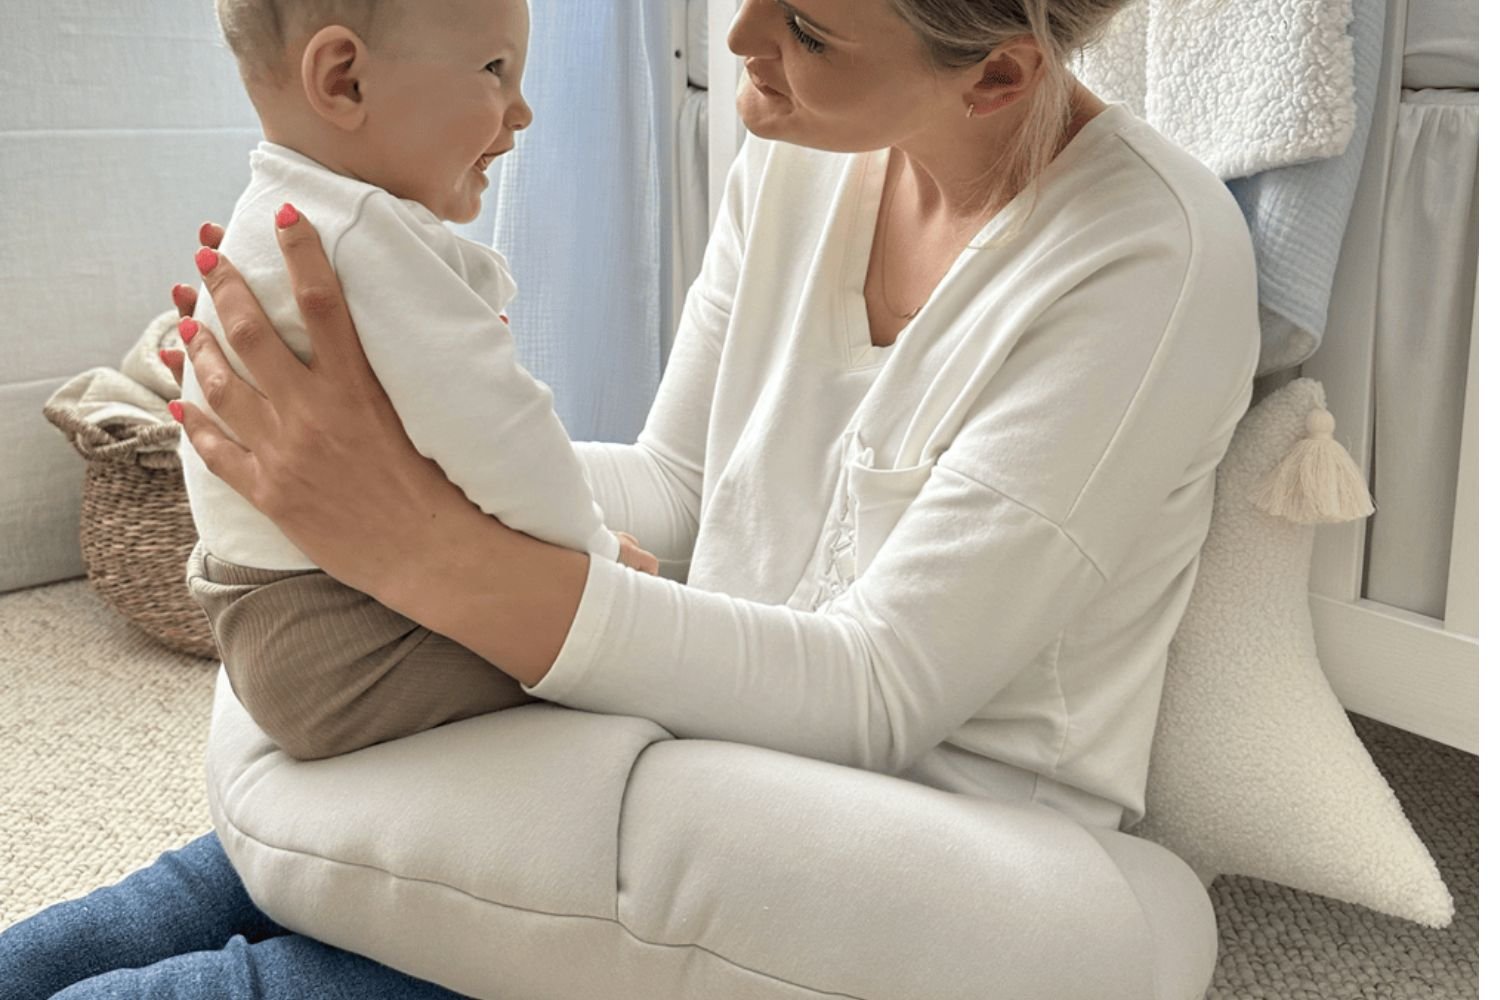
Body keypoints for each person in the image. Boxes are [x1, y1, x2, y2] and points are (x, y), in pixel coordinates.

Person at [0, 0, 1262, 994]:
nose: (742, 41)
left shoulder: (1147, 256)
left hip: (907, 805)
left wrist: (417, 541)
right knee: (305, 792)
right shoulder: (810, 151)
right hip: (691, 712)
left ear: (997, 73)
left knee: (408, 865)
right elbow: (675, 488)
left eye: (810, 30)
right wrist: (344, 477)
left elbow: (880, 692)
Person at [176, 0, 663, 765]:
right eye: (495, 71)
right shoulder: (362, 234)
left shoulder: (276, 214)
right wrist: (600, 564)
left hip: (272, 615)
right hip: (346, 636)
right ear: (345, 82)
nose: (523, 110)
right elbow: (505, 441)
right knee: (641, 672)